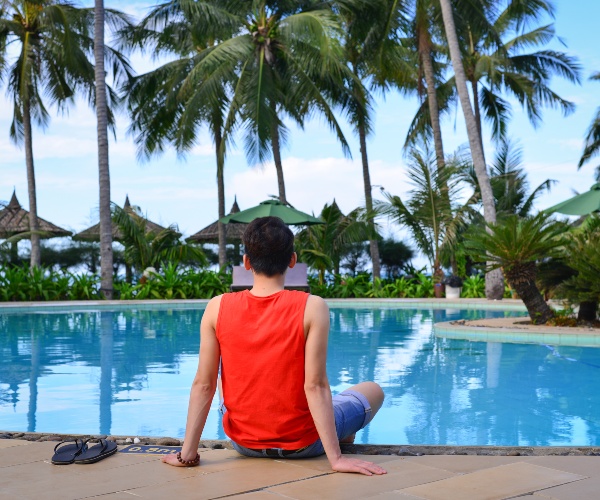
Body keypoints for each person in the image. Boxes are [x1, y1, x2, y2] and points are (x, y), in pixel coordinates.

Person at [162, 216, 386, 475]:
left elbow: (204, 384)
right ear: (292, 260)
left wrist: (187, 454)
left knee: (221, 378)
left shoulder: (217, 306)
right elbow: (315, 386)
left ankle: (339, 433)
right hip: (304, 445)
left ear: (246, 262)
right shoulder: (312, 307)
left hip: (244, 443)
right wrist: (335, 460)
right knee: (372, 390)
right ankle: (341, 438)